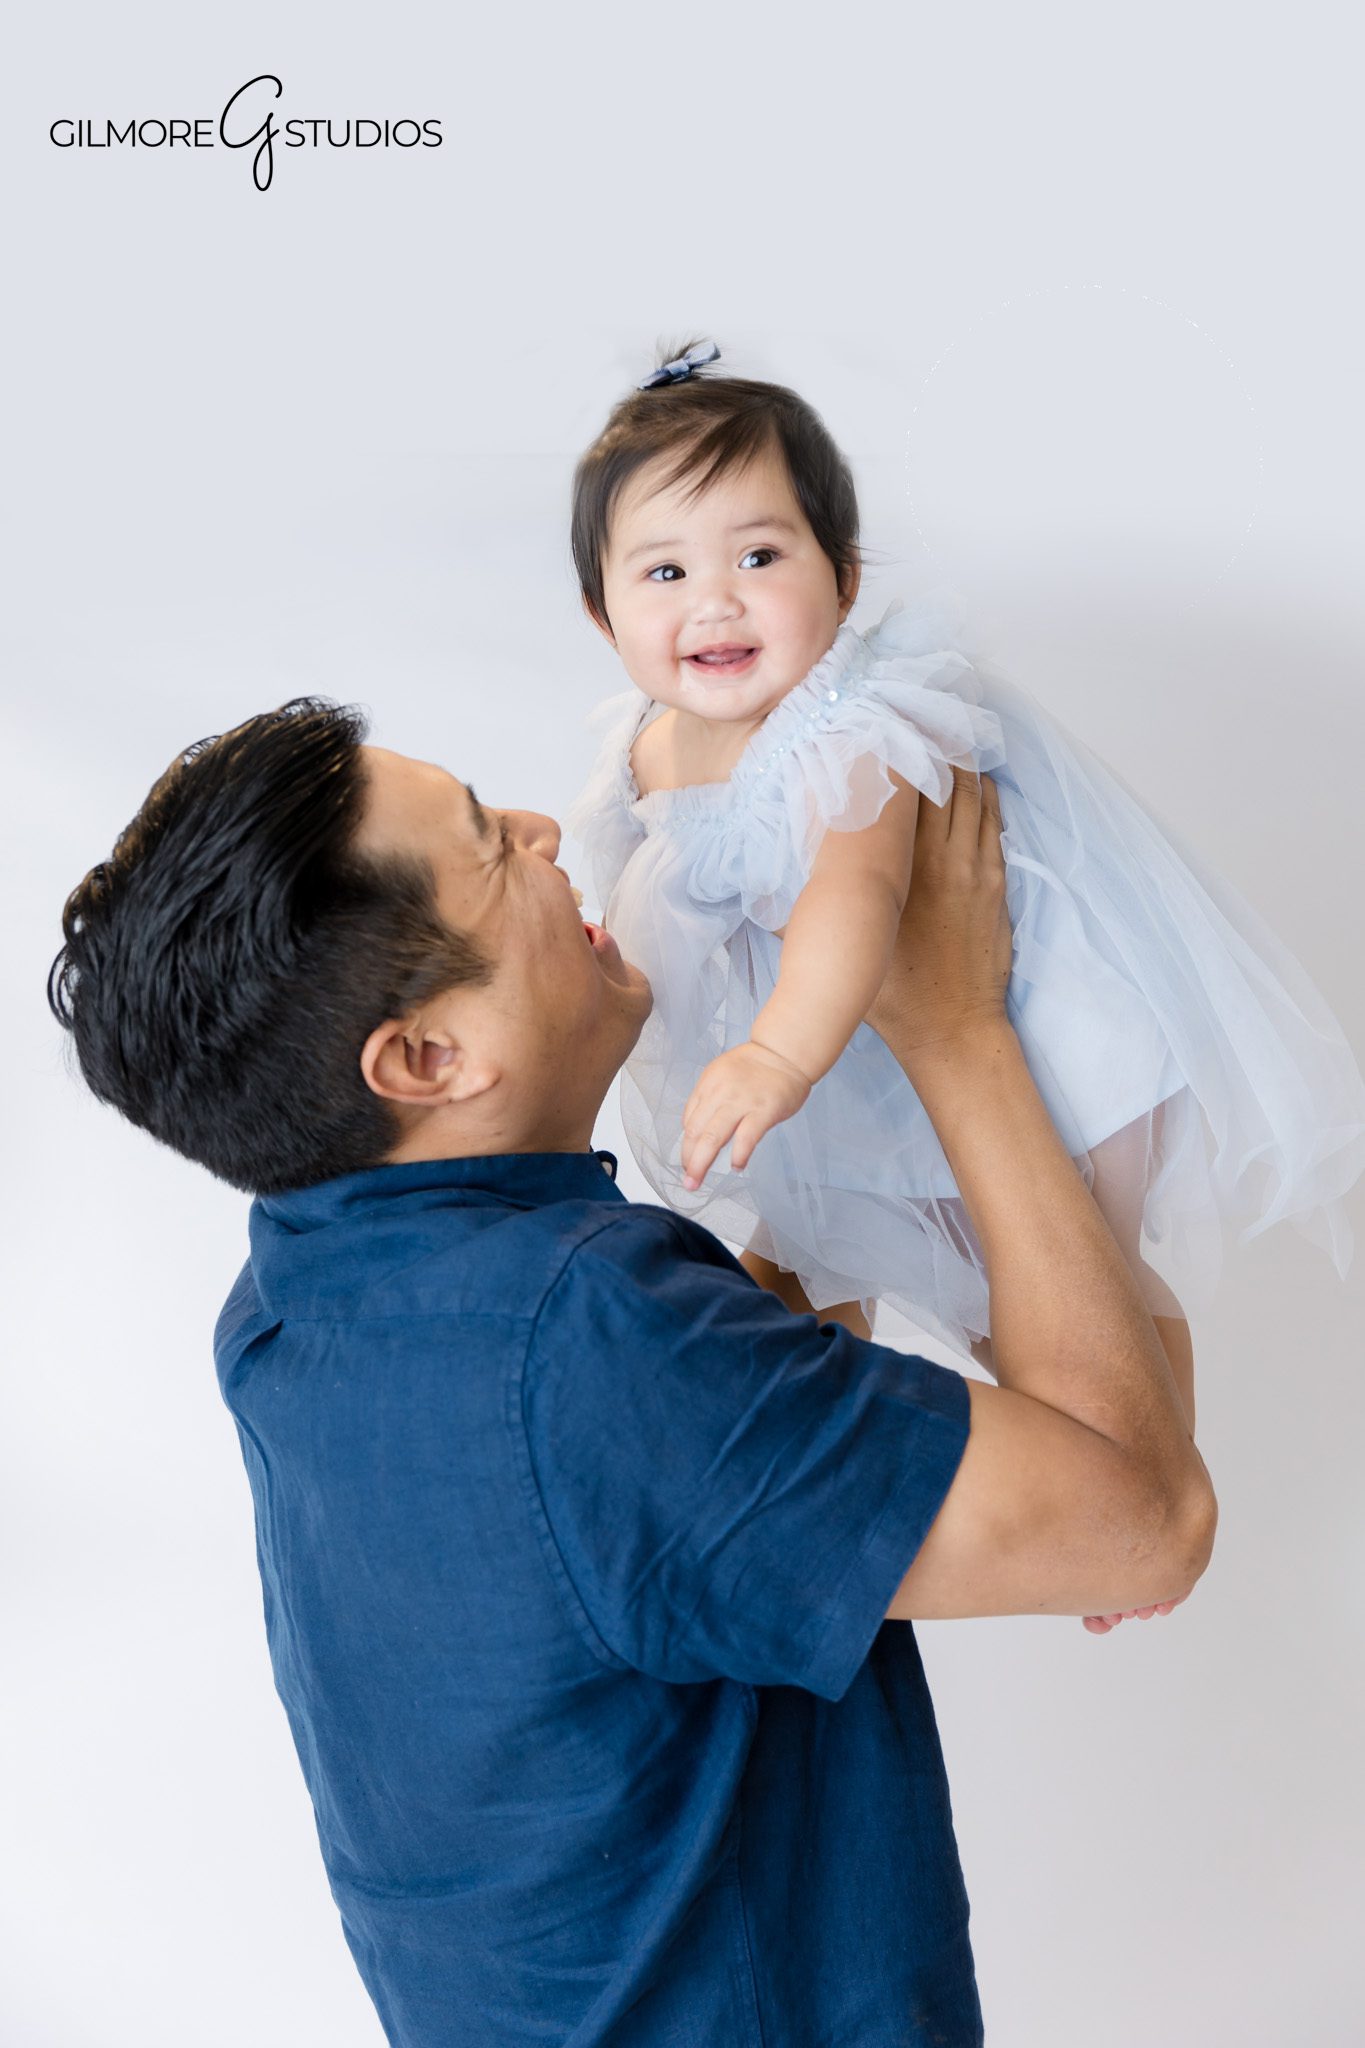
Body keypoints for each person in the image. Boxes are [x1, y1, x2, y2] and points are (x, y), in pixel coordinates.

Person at [48, 702, 1215, 2046]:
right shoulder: (587, 1338)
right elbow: (1147, 1524)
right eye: (493, 843)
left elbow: (694, 1501)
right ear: (427, 1058)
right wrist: (952, 1025)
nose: (548, 831)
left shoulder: (290, 1299)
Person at [567, 338, 1365, 1362]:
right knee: (803, 1259)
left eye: (760, 557)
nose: (715, 599)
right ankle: (779, 1445)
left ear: (844, 580)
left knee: (1052, 1275)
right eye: (665, 571)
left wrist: (775, 1055)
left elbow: (855, 894)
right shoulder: (643, 745)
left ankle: (1139, 1441)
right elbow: (649, 891)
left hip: (1023, 1032)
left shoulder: (854, 731)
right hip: (849, 1048)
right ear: (602, 613)